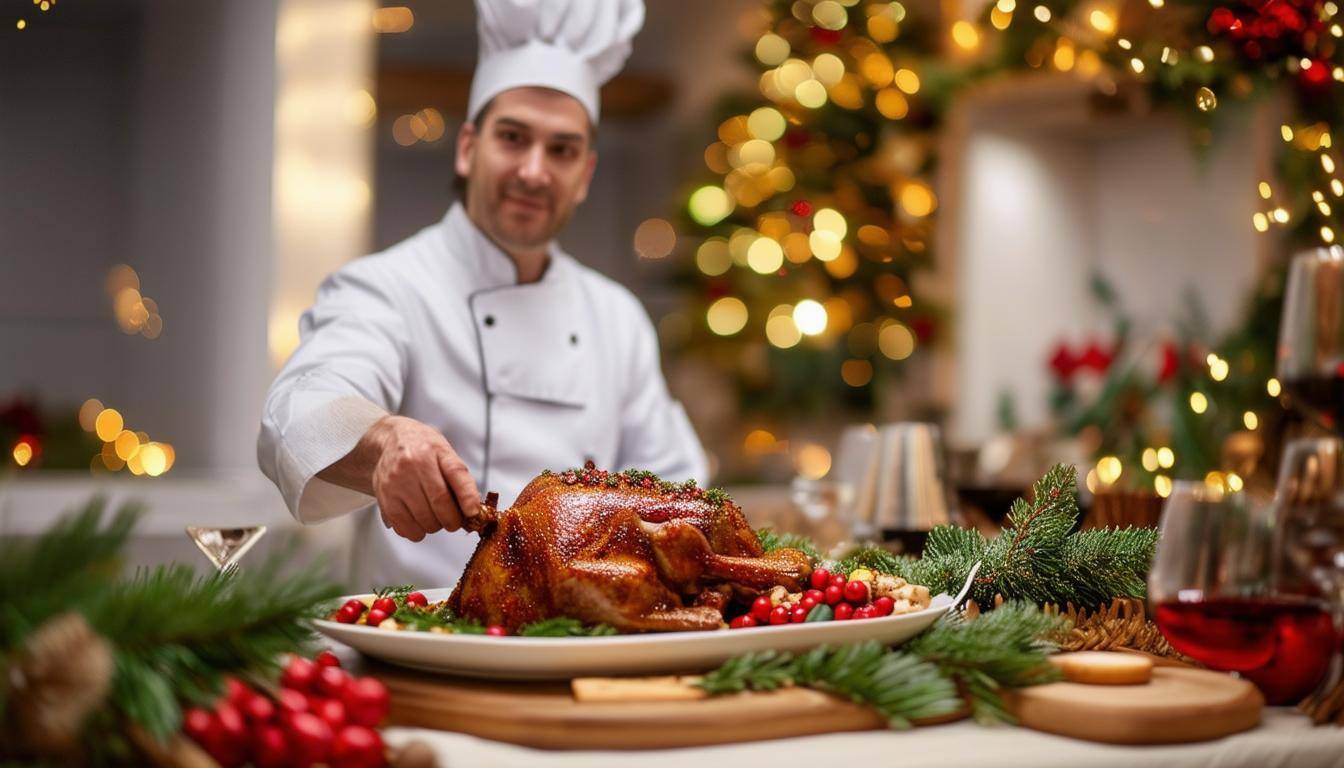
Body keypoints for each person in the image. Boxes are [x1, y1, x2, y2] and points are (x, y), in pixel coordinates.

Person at [257, 0, 707, 587]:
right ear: (468, 147)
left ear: (586, 174)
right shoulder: (388, 287)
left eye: (562, 149)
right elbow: (297, 412)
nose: (534, 171)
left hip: (584, 645)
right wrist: (387, 439)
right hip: (421, 641)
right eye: (513, 138)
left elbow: (678, 487)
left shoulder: (616, 317)